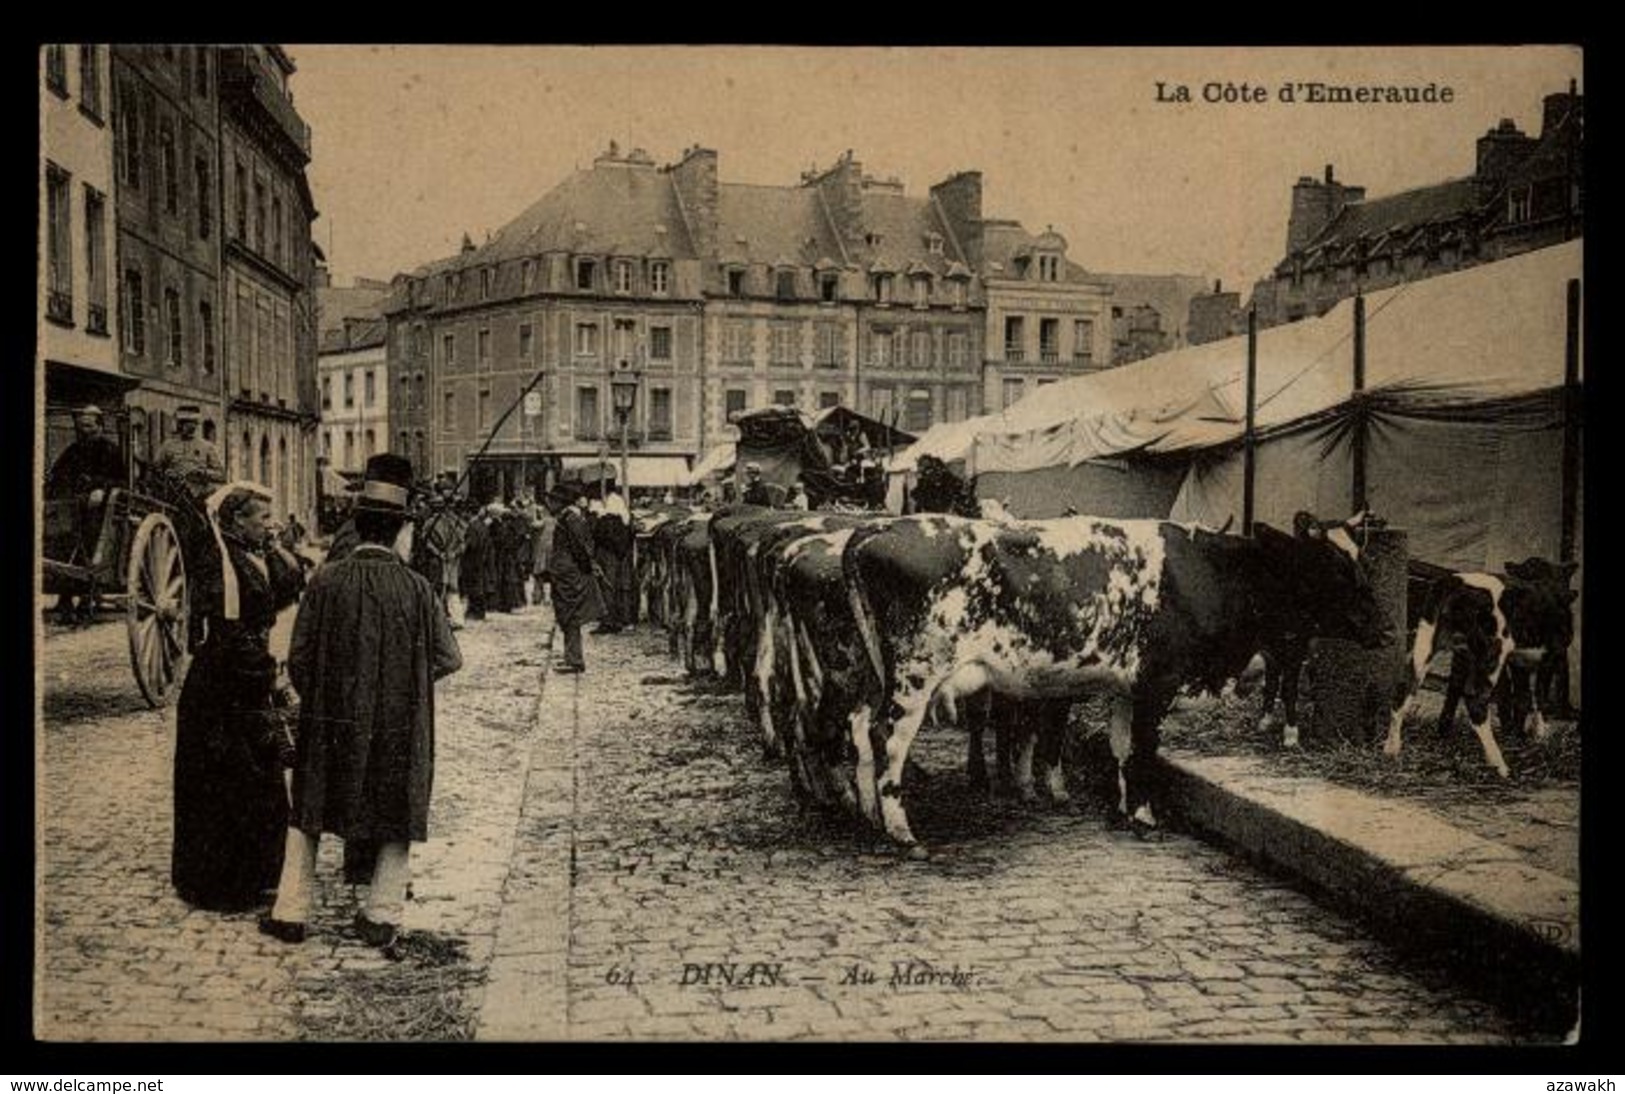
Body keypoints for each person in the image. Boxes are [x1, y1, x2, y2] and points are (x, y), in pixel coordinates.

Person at [260, 454, 463, 947]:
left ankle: (290, 911)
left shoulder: (326, 582)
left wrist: (325, 696)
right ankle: (381, 913)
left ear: (360, 525)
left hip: (330, 719)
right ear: (398, 532)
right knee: (396, 809)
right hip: (398, 722)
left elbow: (299, 657)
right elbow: (448, 658)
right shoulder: (417, 589)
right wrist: (406, 683)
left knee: (309, 810)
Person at [172, 481, 306, 912]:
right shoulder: (218, 563)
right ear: (236, 521)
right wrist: (270, 675)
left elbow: (290, 587)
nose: (269, 525)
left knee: (258, 778)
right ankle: (220, 885)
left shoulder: (252, 555)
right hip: (220, 688)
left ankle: (257, 875)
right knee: (228, 782)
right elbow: (229, 635)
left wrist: (276, 545)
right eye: (262, 518)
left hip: (244, 680)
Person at [46, 406, 127, 622]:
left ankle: (86, 597)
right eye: (82, 427)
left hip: (99, 511)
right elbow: (57, 475)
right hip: (73, 508)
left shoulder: (111, 450)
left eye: (90, 426)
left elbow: (121, 481)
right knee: (60, 540)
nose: (85, 430)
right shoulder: (73, 450)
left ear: (100, 426)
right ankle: (64, 598)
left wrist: (102, 488)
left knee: (90, 543)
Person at [547, 482, 605, 674]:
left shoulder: (570, 519)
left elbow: (580, 548)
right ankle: (572, 657)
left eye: (552, 500)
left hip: (569, 574)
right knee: (566, 614)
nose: (548, 503)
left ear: (561, 502)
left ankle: (574, 660)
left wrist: (587, 567)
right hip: (565, 572)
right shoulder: (568, 518)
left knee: (569, 614)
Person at [153, 405, 226, 503]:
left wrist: (202, 473)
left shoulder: (206, 446)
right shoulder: (168, 446)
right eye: (188, 424)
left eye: (195, 424)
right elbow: (154, 470)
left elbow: (221, 475)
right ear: (180, 425)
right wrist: (167, 474)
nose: (192, 427)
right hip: (173, 498)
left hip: (201, 499)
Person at [592, 486, 635, 633]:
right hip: (621, 557)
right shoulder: (625, 521)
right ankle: (622, 619)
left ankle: (608, 621)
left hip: (607, 556)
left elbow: (598, 537)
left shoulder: (605, 520)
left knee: (606, 588)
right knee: (621, 588)